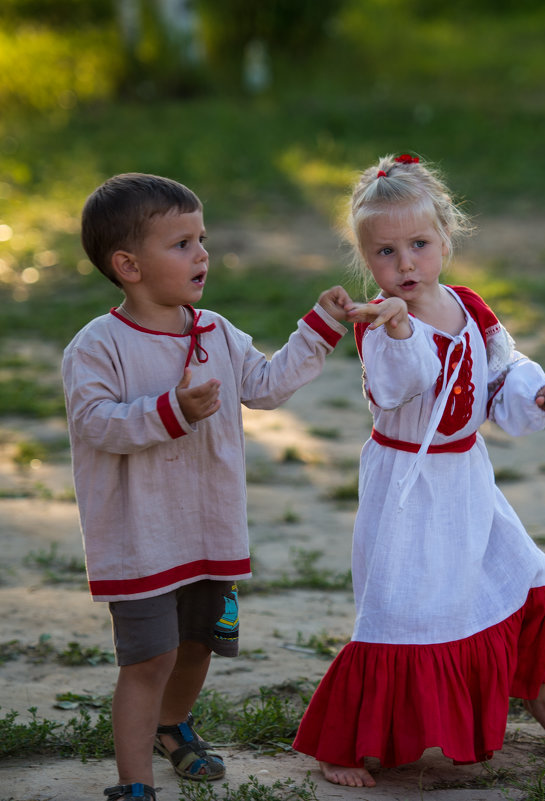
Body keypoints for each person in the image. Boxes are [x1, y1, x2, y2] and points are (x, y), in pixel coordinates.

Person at [292, 154, 545, 787]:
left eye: (418, 244)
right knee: (403, 606)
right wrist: (400, 331)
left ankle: (541, 702)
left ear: (445, 241)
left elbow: (501, 369)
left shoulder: (470, 307)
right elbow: (397, 388)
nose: (404, 263)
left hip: (467, 478)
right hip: (410, 486)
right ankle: (344, 746)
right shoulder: (382, 325)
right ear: (365, 261)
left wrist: (535, 391)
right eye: (384, 253)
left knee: (522, 579)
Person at [62, 173, 366, 801]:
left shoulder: (216, 333)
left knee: (199, 646)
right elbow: (96, 425)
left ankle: (174, 727)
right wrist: (170, 411)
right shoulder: (98, 347)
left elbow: (265, 385)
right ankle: (134, 783)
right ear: (129, 265)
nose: (202, 254)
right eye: (181, 244)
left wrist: (318, 329)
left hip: (209, 529)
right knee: (147, 660)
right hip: (142, 539)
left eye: (201, 238)